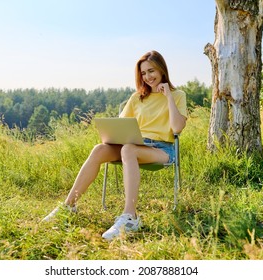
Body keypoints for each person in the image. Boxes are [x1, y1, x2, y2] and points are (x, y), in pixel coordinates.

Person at [42, 50, 188, 241]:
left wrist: (168, 96)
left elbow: (177, 128)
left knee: (128, 149)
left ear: (162, 69)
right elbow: (121, 125)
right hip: (135, 144)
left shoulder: (177, 95)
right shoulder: (137, 98)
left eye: (151, 71)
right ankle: (68, 206)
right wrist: (112, 136)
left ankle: (131, 217)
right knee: (99, 149)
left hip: (162, 149)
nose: (147, 77)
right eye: (143, 73)